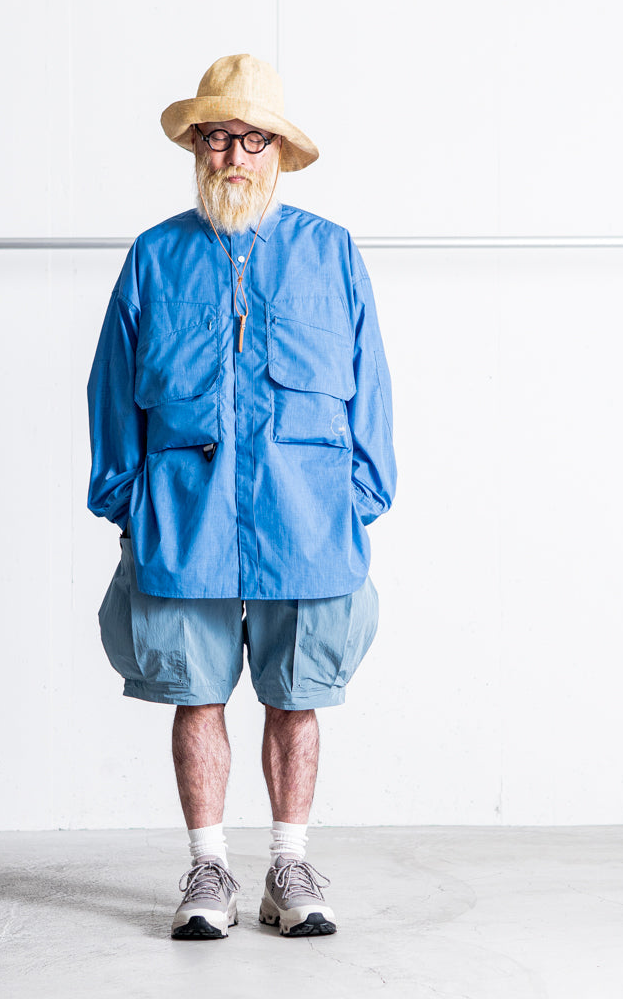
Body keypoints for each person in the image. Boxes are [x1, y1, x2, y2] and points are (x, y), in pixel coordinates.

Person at [86, 54, 396, 940]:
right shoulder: (154, 256)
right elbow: (112, 389)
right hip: (186, 517)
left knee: (297, 696)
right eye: (217, 138)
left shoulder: (331, 253)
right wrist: (130, 501)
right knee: (196, 695)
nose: (233, 156)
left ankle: (289, 865)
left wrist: (356, 498)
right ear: (196, 149)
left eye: (252, 140)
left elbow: (371, 386)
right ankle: (209, 869)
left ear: (278, 153)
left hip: (308, 519)